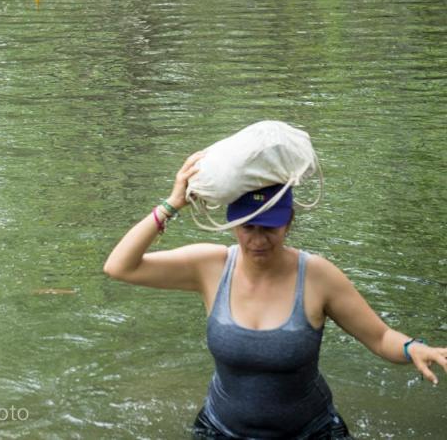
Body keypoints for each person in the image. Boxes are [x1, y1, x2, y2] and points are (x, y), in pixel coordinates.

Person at [103, 151, 447, 439]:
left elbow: (380, 336)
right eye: (248, 227)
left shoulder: (316, 276)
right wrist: (172, 203)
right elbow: (120, 266)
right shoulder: (210, 266)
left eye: (270, 228)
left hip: (311, 432)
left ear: (289, 222)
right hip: (221, 430)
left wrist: (411, 347)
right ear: (232, 225)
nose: (258, 240)